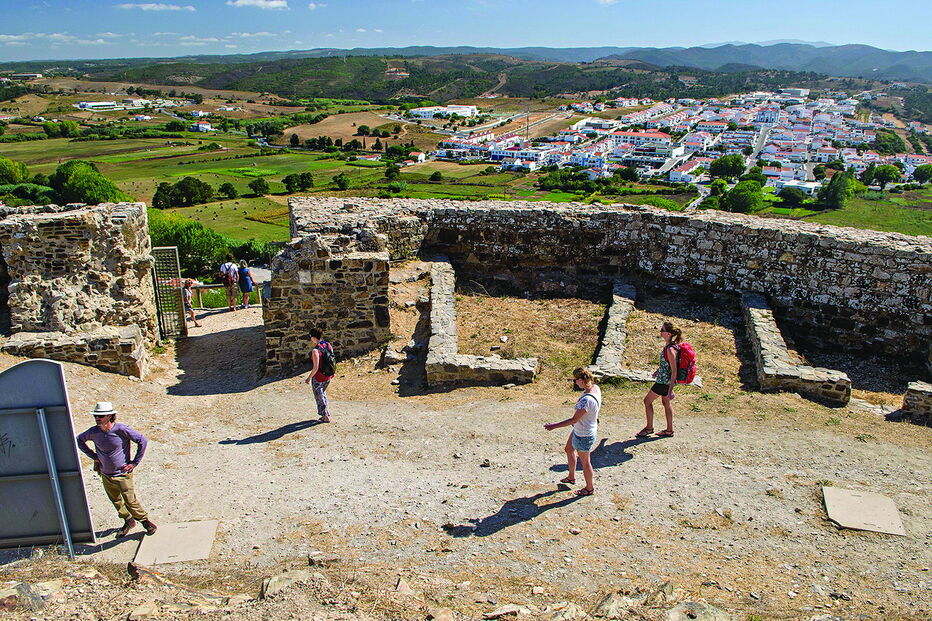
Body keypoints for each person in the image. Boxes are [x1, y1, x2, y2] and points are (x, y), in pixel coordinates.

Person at [75, 402, 157, 538]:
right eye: (96, 415)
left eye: (101, 416)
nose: (97, 418)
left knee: (130, 501)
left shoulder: (121, 430)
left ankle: (146, 522)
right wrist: (94, 457)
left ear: (110, 416)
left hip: (122, 474)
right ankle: (128, 521)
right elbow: (79, 440)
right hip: (105, 474)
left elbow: (142, 441)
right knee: (116, 500)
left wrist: (134, 463)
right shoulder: (93, 432)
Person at [544, 367, 601, 496]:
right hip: (580, 429)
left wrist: (554, 426)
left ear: (581, 380)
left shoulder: (587, 400)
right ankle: (571, 477)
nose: (574, 382)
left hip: (584, 434)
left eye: (575, 380)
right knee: (569, 449)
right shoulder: (595, 388)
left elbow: (573, 419)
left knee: (586, 463)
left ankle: (589, 488)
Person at [637, 321, 681, 438]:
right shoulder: (671, 347)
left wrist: (670, 390)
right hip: (665, 381)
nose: (660, 331)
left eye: (662, 330)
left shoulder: (670, 349)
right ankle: (669, 430)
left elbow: (674, 370)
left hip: (663, 383)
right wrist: (658, 370)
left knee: (647, 401)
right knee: (666, 403)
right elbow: (667, 365)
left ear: (668, 334)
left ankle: (649, 428)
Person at [304, 328, 335, 423]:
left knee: (319, 396)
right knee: (322, 393)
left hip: (319, 377)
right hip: (328, 375)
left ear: (313, 338)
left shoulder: (315, 351)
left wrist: (309, 378)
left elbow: (315, 367)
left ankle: (325, 416)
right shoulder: (328, 344)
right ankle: (326, 412)